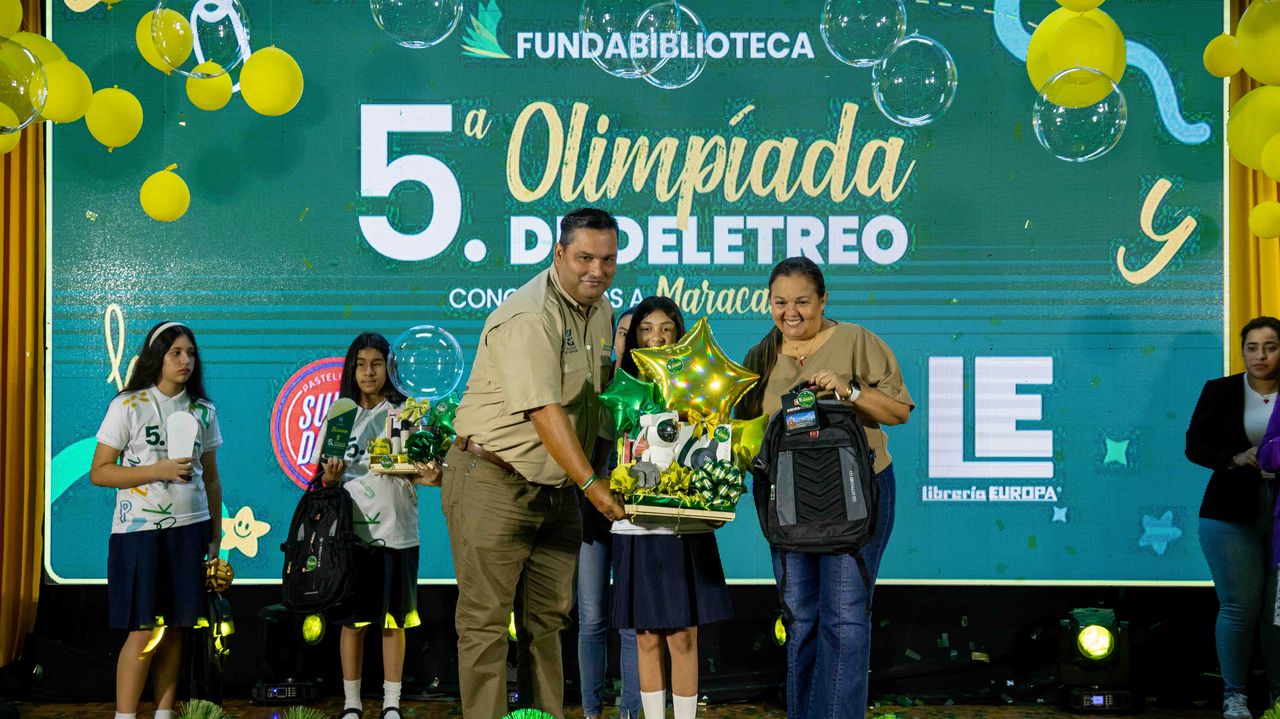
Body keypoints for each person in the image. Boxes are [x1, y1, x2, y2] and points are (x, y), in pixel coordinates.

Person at [444, 207, 628, 718]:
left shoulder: (601, 309)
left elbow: (592, 402)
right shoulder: (530, 315)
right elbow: (545, 411)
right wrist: (594, 485)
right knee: (483, 623)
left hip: (556, 488)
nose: (597, 270)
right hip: (493, 478)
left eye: (608, 259)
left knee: (547, 623)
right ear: (559, 254)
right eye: (586, 258)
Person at [739, 257, 913, 719]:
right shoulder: (762, 354)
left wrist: (850, 391)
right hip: (791, 505)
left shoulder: (855, 341)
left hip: (856, 498)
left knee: (845, 618)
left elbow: (898, 412)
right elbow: (742, 429)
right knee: (801, 621)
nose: (790, 313)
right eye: (779, 302)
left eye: (802, 302)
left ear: (823, 301)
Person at [90, 322, 224, 719]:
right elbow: (100, 472)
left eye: (191, 353)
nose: (185, 361)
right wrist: (158, 470)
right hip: (140, 533)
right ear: (157, 357)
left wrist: (215, 536)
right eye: (176, 353)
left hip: (192, 529)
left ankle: (165, 713)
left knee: (178, 626)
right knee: (144, 629)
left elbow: (212, 477)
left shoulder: (203, 409)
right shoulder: (129, 405)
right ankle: (126, 715)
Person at [610, 296, 733, 719]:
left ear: (679, 334)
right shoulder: (620, 389)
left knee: (682, 636)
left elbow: (717, 446)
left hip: (684, 527)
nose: (656, 336)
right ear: (633, 338)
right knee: (646, 636)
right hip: (635, 526)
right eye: (646, 329)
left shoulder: (699, 388)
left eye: (666, 328)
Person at [314, 332, 442, 719]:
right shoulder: (339, 414)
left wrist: (431, 472)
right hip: (349, 536)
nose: (369, 373)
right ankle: (352, 703)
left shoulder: (408, 414)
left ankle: (391, 702)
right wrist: (331, 478)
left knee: (393, 620)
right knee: (352, 622)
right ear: (351, 369)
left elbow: (428, 476)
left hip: (396, 531)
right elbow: (325, 477)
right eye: (361, 364)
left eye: (377, 364)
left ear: (390, 368)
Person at [1187, 316, 1280, 719]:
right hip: (1230, 513)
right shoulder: (1220, 390)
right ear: (1242, 351)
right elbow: (1195, 446)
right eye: (1252, 347)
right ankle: (1235, 696)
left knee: (1277, 611)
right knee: (1240, 607)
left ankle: (1278, 698)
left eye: (1271, 346)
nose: (1261, 355)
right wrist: (1234, 458)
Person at [578, 306, 642, 719]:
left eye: (633, 334)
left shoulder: (655, 390)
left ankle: (632, 712)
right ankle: (590, 712)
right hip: (592, 511)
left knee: (635, 625)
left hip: (639, 515)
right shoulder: (590, 386)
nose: (625, 340)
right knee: (592, 619)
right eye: (620, 332)